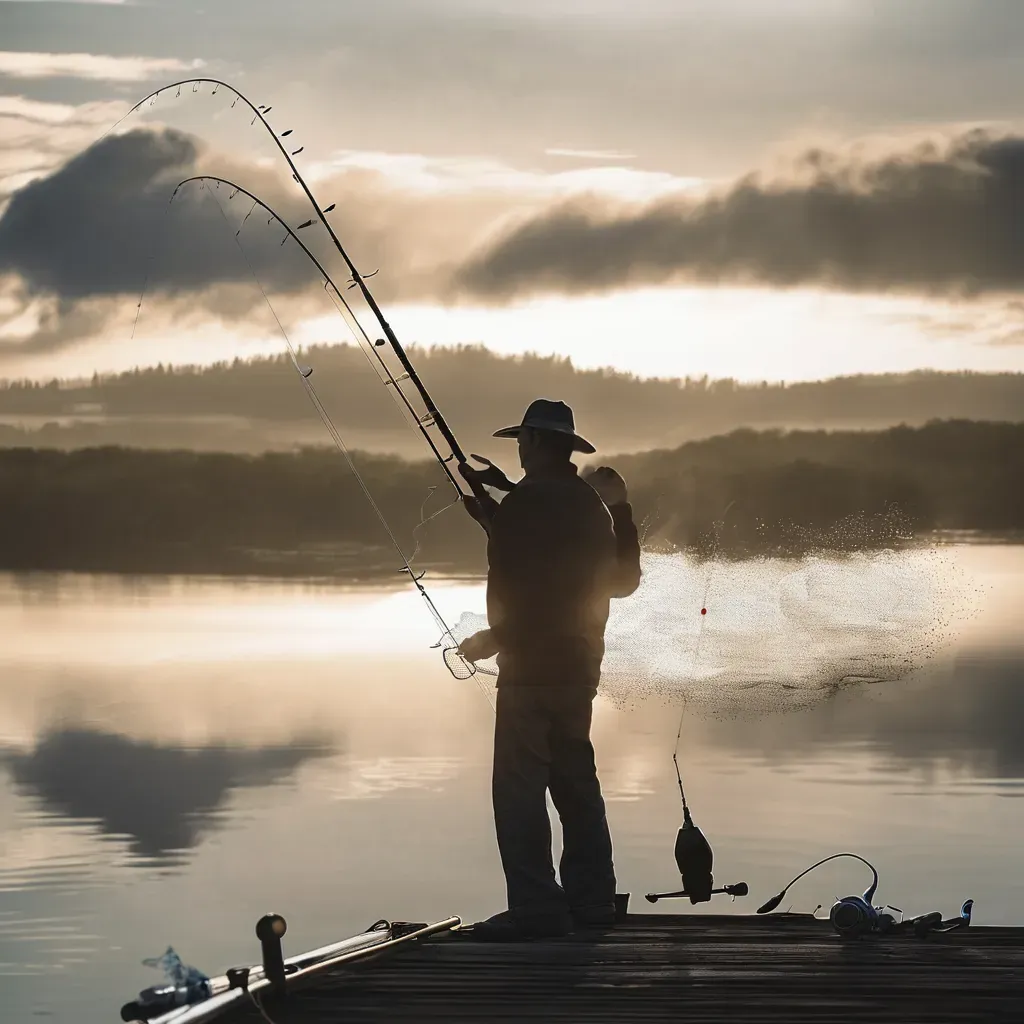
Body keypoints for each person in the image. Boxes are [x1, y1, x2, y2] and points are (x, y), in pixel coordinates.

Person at [457, 398, 642, 941]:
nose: (516, 449)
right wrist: (499, 502)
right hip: (579, 670)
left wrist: (496, 637)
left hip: (530, 670)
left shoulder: (525, 504)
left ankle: (536, 907)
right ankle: (591, 902)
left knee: (518, 792)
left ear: (535, 442)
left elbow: (534, 584)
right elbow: (619, 580)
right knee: (576, 785)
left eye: (521, 441)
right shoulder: (591, 505)